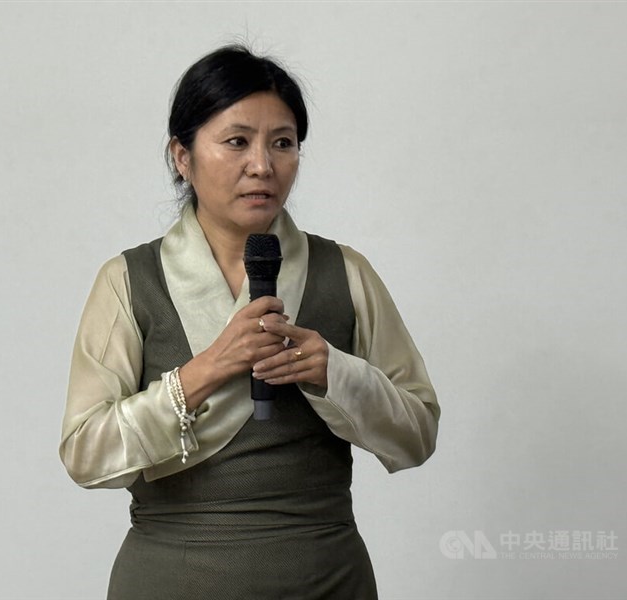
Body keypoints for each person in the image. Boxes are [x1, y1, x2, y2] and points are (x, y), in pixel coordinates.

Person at [60, 44, 440, 600]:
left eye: (282, 143)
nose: (262, 164)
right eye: (236, 141)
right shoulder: (127, 280)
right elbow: (85, 454)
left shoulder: (346, 271)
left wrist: (334, 372)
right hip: (171, 578)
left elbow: (417, 436)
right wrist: (205, 372)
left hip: (326, 576)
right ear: (182, 156)